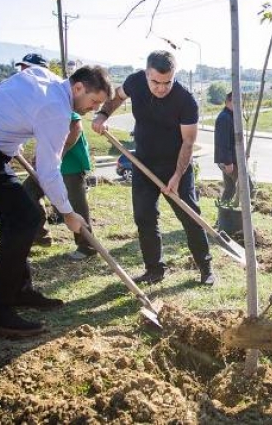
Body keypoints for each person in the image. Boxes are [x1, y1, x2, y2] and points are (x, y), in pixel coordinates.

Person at [0, 65, 113, 336]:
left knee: (18, 218)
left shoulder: (44, 77)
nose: (93, 108)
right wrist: (68, 213)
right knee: (24, 219)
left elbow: (8, 97)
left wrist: (10, 135)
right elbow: (48, 170)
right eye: (93, 102)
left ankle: (19, 291)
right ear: (78, 88)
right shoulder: (55, 109)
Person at [92, 50, 216, 286]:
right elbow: (116, 97)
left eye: (167, 82)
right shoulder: (135, 82)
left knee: (190, 216)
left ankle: (205, 267)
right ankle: (154, 269)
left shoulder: (185, 100)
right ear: (147, 73)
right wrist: (103, 114)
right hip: (143, 162)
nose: (161, 88)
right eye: (155, 82)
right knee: (144, 217)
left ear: (174, 75)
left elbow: (188, 142)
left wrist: (178, 175)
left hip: (176, 165)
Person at [23, 112, 97, 260]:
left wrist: (57, 155)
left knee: (76, 206)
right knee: (28, 192)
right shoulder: (37, 102)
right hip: (46, 164)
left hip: (69, 165)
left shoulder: (60, 99)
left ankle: (87, 246)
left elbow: (76, 127)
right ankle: (40, 236)